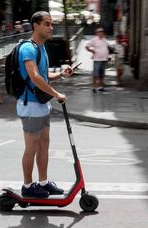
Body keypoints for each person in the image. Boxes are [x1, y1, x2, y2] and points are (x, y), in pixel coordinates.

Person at [18, 11, 73, 198]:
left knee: (44, 145)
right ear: (36, 26)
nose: (51, 27)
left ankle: (43, 182)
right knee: (31, 148)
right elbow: (34, 77)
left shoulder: (41, 47)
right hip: (30, 105)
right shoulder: (28, 48)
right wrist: (56, 94)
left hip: (42, 103)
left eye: (51, 24)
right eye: (47, 24)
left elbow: (43, 75)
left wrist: (61, 74)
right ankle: (27, 186)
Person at [85, 27, 109, 93]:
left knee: (102, 74)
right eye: (100, 32)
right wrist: (92, 51)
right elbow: (87, 46)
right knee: (96, 74)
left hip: (104, 59)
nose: (101, 33)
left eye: (102, 32)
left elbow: (106, 47)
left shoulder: (105, 39)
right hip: (97, 59)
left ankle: (101, 87)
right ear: (97, 33)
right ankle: (94, 87)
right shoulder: (94, 40)